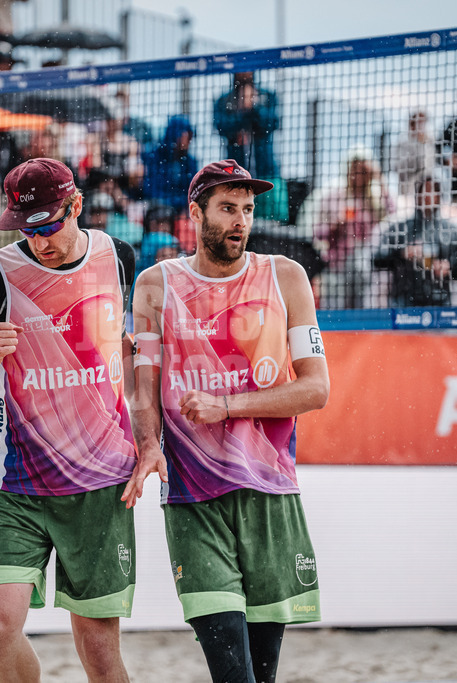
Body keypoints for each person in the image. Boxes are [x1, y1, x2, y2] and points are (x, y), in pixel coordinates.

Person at [126, 160, 329, 683]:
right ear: (196, 214)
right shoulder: (156, 285)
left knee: (262, 673)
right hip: (193, 496)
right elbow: (143, 390)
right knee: (232, 673)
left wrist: (228, 405)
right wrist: (148, 443)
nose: (241, 220)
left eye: (248, 209)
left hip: (269, 491)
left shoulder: (286, 276)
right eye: (227, 208)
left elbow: (316, 389)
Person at [0, 158, 137, 682]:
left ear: (76, 206)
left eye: (48, 225)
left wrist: (150, 441)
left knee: (99, 652)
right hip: (18, 482)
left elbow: (126, 355)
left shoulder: (119, 257)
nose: (39, 241)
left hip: (100, 482)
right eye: (27, 229)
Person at [312, 148, 394, 309]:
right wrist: (334, 226)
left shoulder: (374, 198)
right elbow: (317, 233)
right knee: (336, 313)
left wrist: (380, 179)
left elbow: (393, 215)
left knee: (363, 311)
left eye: (363, 170)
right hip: (337, 266)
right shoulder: (333, 196)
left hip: (366, 267)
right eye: (354, 168)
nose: (358, 174)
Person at [372, 174, 457, 307]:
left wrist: (449, 267)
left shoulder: (451, 230)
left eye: (433, 190)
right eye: (424, 190)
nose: (428, 196)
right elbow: (378, 259)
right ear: (417, 194)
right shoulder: (399, 228)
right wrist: (401, 254)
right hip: (404, 302)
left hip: (440, 302)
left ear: (439, 195)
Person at [213, 72, 280, 180]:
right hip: (235, 170)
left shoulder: (267, 96)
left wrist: (254, 106)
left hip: (266, 168)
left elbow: (272, 123)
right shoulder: (224, 100)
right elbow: (221, 127)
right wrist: (242, 113)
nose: (244, 73)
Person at [391, 110, 437, 201]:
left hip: (426, 193)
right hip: (407, 192)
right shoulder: (403, 142)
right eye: (418, 122)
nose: (421, 126)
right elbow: (396, 166)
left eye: (423, 122)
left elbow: (430, 167)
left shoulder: (430, 141)